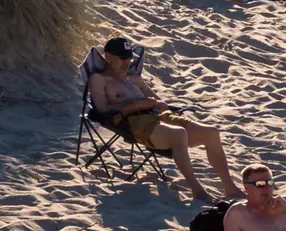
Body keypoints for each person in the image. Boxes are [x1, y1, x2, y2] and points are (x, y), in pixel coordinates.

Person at [86, 36, 243, 201]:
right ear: (109, 57)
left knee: (211, 132)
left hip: (159, 116)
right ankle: (197, 190)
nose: (127, 63)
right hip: (135, 123)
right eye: (123, 58)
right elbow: (103, 110)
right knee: (179, 134)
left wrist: (154, 103)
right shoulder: (99, 80)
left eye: (130, 58)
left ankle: (229, 188)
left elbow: (161, 102)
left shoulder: (134, 79)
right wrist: (136, 105)